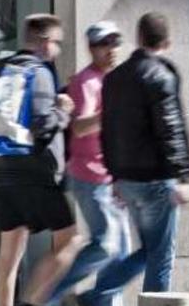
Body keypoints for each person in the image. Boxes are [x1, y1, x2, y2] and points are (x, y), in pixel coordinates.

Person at [78, 12, 189, 306]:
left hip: (127, 180)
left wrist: (114, 175)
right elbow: (172, 129)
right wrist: (183, 177)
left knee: (147, 250)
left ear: (139, 38)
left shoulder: (115, 77)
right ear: (167, 42)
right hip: (156, 180)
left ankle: (94, 296)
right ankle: (99, 297)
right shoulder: (161, 75)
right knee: (159, 255)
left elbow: (108, 130)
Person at [0, 13, 84, 306]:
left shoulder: (2, 69)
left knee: (10, 247)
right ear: (45, 42)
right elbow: (42, 127)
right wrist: (63, 109)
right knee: (70, 239)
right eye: (57, 43)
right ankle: (33, 301)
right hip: (33, 173)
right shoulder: (40, 73)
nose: (58, 50)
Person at [47, 21, 130, 306]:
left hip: (113, 177)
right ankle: (53, 295)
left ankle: (104, 303)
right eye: (106, 44)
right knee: (105, 244)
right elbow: (80, 127)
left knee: (121, 252)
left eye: (116, 43)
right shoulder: (83, 81)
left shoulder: (115, 80)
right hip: (89, 176)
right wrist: (112, 112)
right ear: (92, 48)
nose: (112, 49)